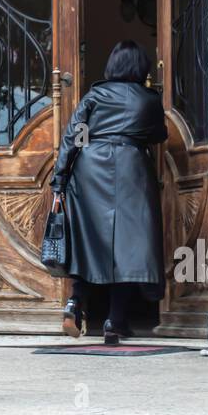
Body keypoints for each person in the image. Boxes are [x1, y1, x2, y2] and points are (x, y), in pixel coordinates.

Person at [51, 39, 168, 345]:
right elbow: (159, 135)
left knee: (87, 242)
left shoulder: (95, 96)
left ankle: (75, 304)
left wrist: (59, 181)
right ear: (141, 68)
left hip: (90, 170)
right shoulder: (148, 99)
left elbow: (73, 139)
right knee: (128, 248)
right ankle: (114, 322)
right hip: (132, 169)